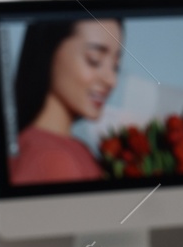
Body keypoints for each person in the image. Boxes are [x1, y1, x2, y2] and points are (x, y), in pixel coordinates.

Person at [7, 18, 123, 186]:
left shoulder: (75, 149)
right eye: (94, 60)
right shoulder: (52, 159)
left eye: (115, 66)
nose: (111, 80)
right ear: (49, 49)